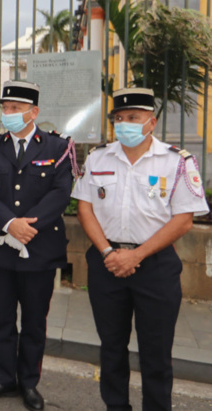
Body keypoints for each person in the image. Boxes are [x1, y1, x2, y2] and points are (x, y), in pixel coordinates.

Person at [72, 87, 208, 411]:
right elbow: (84, 210)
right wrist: (108, 252)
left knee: (156, 353)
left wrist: (136, 255)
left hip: (156, 267)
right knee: (111, 348)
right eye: (119, 118)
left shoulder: (177, 161)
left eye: (133, 117)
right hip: (107, 264)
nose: (124, 124)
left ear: (152, 121)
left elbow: (184, 220)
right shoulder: (98, 157)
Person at [0, 80, 74, 411]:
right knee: (1, 317)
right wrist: (9, 224)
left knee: (34, 320)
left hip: (39, 248)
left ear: (34, 112)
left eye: (16, 108)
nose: (9, 114)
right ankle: (3, 378)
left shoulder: (57, 148)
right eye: (6, 108)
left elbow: (61, 192)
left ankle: (29, 383)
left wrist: (29, 226)